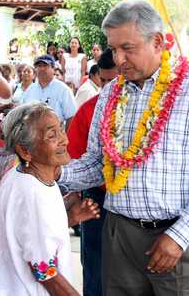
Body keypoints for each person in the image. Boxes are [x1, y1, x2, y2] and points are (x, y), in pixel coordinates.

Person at [57, 0, 189, 295]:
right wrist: (49, 173)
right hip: (118, 234)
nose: (118, 59)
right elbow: (97, 164)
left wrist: (179, 236)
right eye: (113, 49)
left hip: (178, 237)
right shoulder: (110, 93)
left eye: (128, 48)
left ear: (157, 42)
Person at [0, 102, 100, 296]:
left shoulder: (29, 176)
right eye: (51, 135)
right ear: (25, 151)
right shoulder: (31, 193)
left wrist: (70, 217)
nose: (64, 140)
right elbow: (45, 272)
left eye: (61, 129)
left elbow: (32, 235)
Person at [67, 48, 118, 296]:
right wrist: (74, 193)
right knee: (95, 267)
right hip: (96, 199)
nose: (109, 87)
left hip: (132, 207)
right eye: (105, 81)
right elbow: (74, 156)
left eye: (115, 80)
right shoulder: (89, 109)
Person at [22, 54, 76, 130]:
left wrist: (65, 139)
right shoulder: (30, 90)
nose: (42, 69)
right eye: (39, 66)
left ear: (53, 68)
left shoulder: (63, 89)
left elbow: (71, 117)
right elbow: (23, 114)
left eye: (45, 66)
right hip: (32, 136)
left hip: (54, 137)